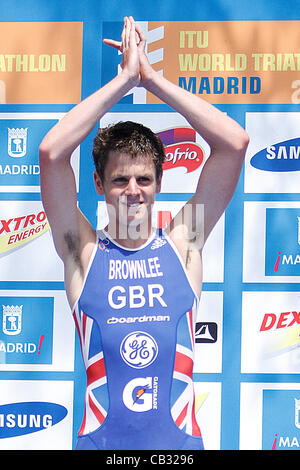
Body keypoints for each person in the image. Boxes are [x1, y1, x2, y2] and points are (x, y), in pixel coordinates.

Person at [39, 16, 249, 450]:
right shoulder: (83, 251)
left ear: (159, 183)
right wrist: (122, 82)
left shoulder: (183, 244)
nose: (132, 191)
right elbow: (51, 153)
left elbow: (234, 143)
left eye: (143, 180)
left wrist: (150, 80)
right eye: (119, 180)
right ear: (98, 185)